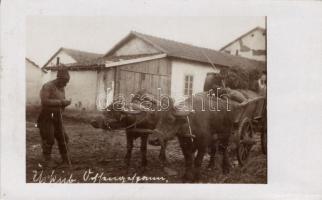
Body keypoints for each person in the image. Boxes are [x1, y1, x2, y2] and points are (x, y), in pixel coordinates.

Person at [37, 66, 72, 168]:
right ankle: (47, 161)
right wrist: (61, 102)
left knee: (64, 138)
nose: (66, 84)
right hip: (47, 117)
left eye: (67, 81)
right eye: (65, 81)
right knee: (49, 138)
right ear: (59, 79)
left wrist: (66, 103)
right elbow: (45, 101)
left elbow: (62, 101)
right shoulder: (47, 86)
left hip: (58, 117)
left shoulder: (62, 88)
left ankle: (65, 160)